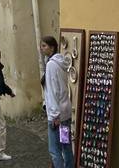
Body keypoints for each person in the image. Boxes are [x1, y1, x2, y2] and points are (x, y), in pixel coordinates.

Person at [40, 36, 73, 168]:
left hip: (57, 116)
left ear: (52, 47)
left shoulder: (51, 65)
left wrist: (54, 115)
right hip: (65, 112)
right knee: (66, 145)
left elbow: (53, 91)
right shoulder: (61, 62)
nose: (42, 49)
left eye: (44, 46)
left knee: (54, 150)